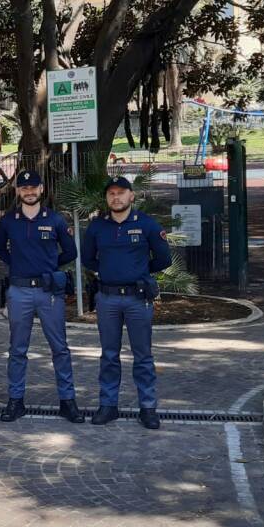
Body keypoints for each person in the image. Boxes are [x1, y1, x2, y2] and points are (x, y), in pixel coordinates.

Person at [0, 169, 84, 424]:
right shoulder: (9, 221)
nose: (29, 191)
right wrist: (18, 264)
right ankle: (15, 400)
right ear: (17, 191)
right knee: (17, 349)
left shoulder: (55, 220)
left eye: (33, 187)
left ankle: (68, 401)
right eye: (24, 188)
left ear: (41, 189)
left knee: (60, 348)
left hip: (48, 292)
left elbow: (70, 252)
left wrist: (50, 266)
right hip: (19, 291)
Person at [81, 176, 172, 430]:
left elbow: (163, 259)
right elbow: (88, 259)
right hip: (107, 298)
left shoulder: (147, 225)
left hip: (137, 298)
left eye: (121, 193)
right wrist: (111, 271)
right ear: (106, 198)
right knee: (109, 355)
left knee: (143, 355)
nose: (116, 197)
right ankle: (108, 405)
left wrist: (139, 271)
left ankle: (148, 408)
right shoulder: (97, 227)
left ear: (132, 196)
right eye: (111, 193)